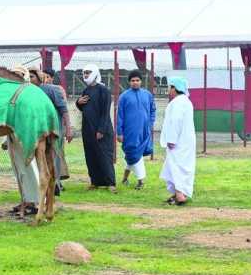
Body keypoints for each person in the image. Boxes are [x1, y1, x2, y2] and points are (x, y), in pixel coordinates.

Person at [28, 67, 73, 196]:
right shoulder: (27, 92)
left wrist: (68, 129)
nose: (30, 79)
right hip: (35, 131)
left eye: (32, 76)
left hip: (54, 130)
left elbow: (64, 110)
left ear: (39, 77)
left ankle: (56, 183)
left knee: (55, 156)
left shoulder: (53, 90)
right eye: (28, 76)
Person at [4, 65, 40, 215]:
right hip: (12, 137)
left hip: (26, 136)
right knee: (19, 171)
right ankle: (25, 200)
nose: (16, 77)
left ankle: (37, 201)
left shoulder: (29, 93)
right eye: (14, 74)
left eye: (19, 75)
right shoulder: (8, 95)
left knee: (31, 168)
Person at [75, 64, 116, 192]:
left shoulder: (103, 90)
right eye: (85, 73)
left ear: (95, 73)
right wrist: (78, 103)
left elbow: (105, 111)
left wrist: (101, 130)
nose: (86, 75)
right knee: (91, 156)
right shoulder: (86, 90)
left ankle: (110, 183)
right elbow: (85, 108)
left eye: (88, 72)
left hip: (101, 129)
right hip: (87, 129)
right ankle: (95, 181)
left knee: (104, 156)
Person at [117, 69, 156, 190]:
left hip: (144, 130)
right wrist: (119, 132)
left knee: (133, 155)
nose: (135, 82)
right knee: (134, 153)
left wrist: (150, 123)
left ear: (141, 81)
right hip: (130, 132)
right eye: (133, 80)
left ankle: (124, 178)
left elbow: (153, 110)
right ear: (129, 82)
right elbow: (120, 116)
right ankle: (141, 181)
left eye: (137, 80)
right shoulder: (124, 96)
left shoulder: (147, 95)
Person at [159, 76, 196, 205]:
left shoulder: (178, 102)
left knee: (176, 166)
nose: (169, 90)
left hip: (178, 142)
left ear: (175, 88)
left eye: (170, 87)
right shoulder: (185, 101)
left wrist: (172, 139)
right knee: (181, 166)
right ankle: (178, 193)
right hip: (186, 141)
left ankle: (180, 196)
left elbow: (176, 122)